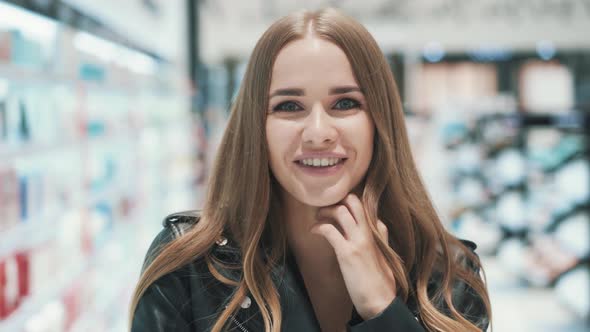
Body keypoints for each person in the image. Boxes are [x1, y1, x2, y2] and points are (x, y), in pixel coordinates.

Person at [128, 7, 491, 332]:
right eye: (288, 106)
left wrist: (382, 310)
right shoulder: (186, 267)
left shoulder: (449, 278)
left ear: (381, 121)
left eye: (345, 103)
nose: (318, 133)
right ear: (256, 126)